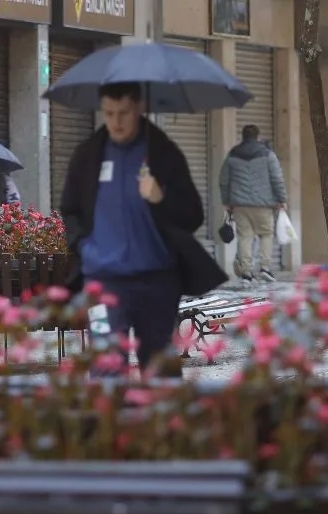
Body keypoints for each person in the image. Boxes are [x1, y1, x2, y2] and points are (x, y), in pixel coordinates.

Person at [59, 82, 226, 374]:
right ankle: (110, 419)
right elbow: (70, 211)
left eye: (123, 112)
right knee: (105, 360)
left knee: (159, 363)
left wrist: (161, 198)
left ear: (139, 108)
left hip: (157, 281)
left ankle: (160, 419)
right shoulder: (88, 156)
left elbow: (192, 215)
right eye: (109, 113)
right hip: (101, 281)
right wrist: (83, 246)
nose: (116, 122)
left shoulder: (163, 154)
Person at [219, 124, 288, 283]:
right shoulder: (268, 155)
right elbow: (277, 179)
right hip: (263, 205)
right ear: (258, 137)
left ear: (243, 137)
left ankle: (246, 272)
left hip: (240, 205)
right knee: (266, 234)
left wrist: (226, 201)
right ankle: (265, 268)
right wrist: (282, 199)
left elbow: (224, 181)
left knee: (245, 237)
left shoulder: (232, 155)